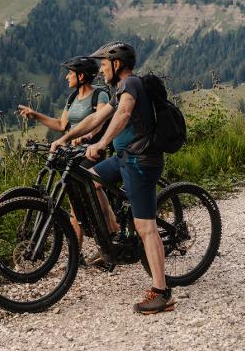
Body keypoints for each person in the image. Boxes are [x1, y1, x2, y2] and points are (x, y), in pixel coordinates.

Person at [51, 41, 174, 315]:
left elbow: (124, 115)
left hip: (140, 161)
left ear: (117, 64)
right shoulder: (118, 90)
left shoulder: (130, 85)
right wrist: (68, 137)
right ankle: (113, 236)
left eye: (105, 65)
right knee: (90, 179)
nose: (101, 70)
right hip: (123, 159)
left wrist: (102, 142)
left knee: (146, 228)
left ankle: (161, 291)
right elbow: (97, 117)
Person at [18, 55, 109, 251]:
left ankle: (110, 232)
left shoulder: (99, 95)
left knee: (85, 196)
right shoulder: (72, 98)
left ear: (82, 75)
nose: (67, 77)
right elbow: (61, 125)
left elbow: (99, 121)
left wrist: (86, 136)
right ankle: (78, 253)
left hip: (90, 152)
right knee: (74, 203)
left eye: (70, 73)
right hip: (71, 154)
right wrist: (35, 114)